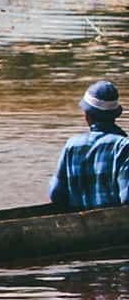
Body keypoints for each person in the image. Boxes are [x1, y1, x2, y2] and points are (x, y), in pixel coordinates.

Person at [49, 80, 129, 209]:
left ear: (87, 115)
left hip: (79, 223)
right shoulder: (123, 146)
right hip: (115, 225)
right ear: (115, 115)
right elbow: (127, 197)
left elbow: (55, 194)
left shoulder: (72, 145)